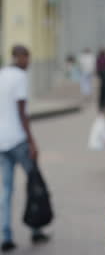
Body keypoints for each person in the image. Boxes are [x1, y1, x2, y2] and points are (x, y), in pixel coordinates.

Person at [0, 45, 49, 252]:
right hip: (18, 139)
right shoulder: (20, 77)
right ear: (18, 57)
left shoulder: (1, 74)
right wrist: (32, 142)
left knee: (6, 190)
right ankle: (36, 229)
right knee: (33, 183)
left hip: (1, 141)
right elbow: (22, 112)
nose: (28, 62)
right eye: (26, 58)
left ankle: (6, 235)